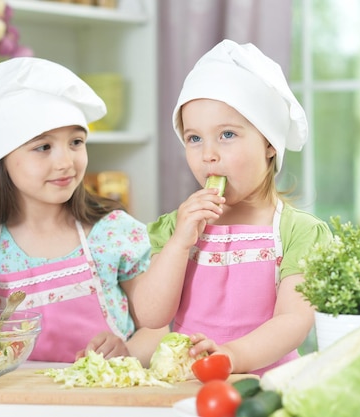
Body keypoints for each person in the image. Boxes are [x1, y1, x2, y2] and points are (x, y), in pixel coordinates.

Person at [125, 39, 332, 375]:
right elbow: (151, 316)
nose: (209, 154)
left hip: (264, 387)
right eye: (194, 139)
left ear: (268, 143)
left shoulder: (300, 232)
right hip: (185, 385)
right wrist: (180, 243)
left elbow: (294, 321)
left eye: (227, 135)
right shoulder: (175, 227)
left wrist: (231, 356)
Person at [0, 57, 168, 366]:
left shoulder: (115, 231)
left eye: (76, 142)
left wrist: (127, 353)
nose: (66, 162)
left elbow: (160, 326)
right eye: (44, 147)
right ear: (2, 158)